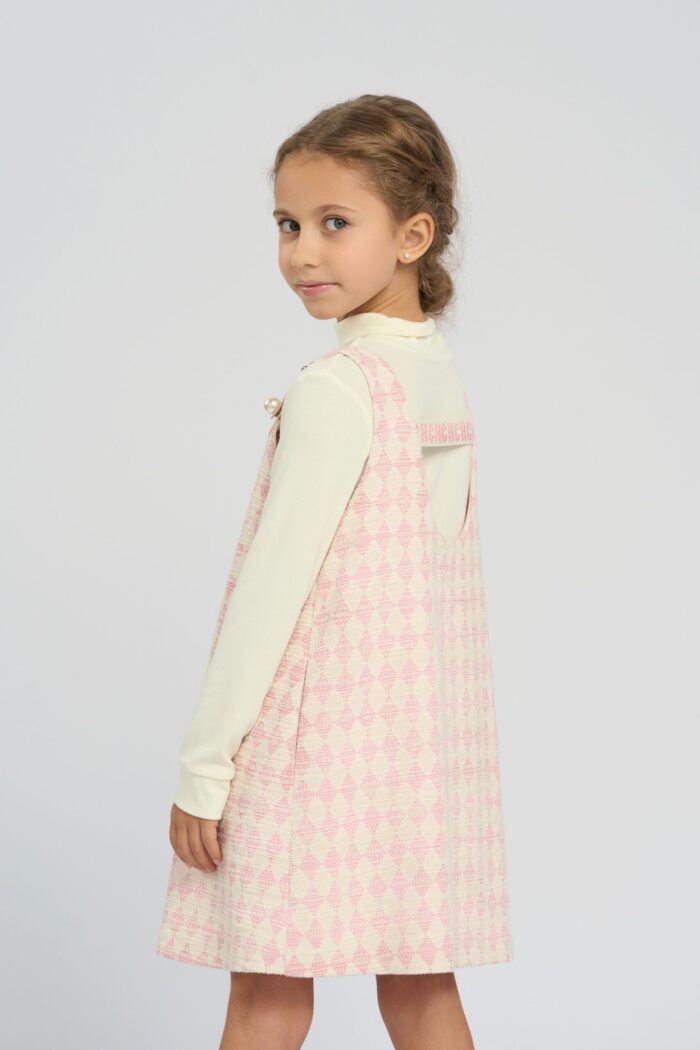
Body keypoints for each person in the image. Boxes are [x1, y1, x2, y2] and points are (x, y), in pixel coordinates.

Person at [156, 94, 513, 1050]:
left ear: (413, 236)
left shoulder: (341, 389)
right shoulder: (432, 374)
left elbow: (273, 595)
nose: (302, 253)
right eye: (288, 224)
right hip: (411, 748)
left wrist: (204, 767)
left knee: (267, 993)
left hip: (312, 746)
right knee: (421, 984)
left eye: (334, 223)